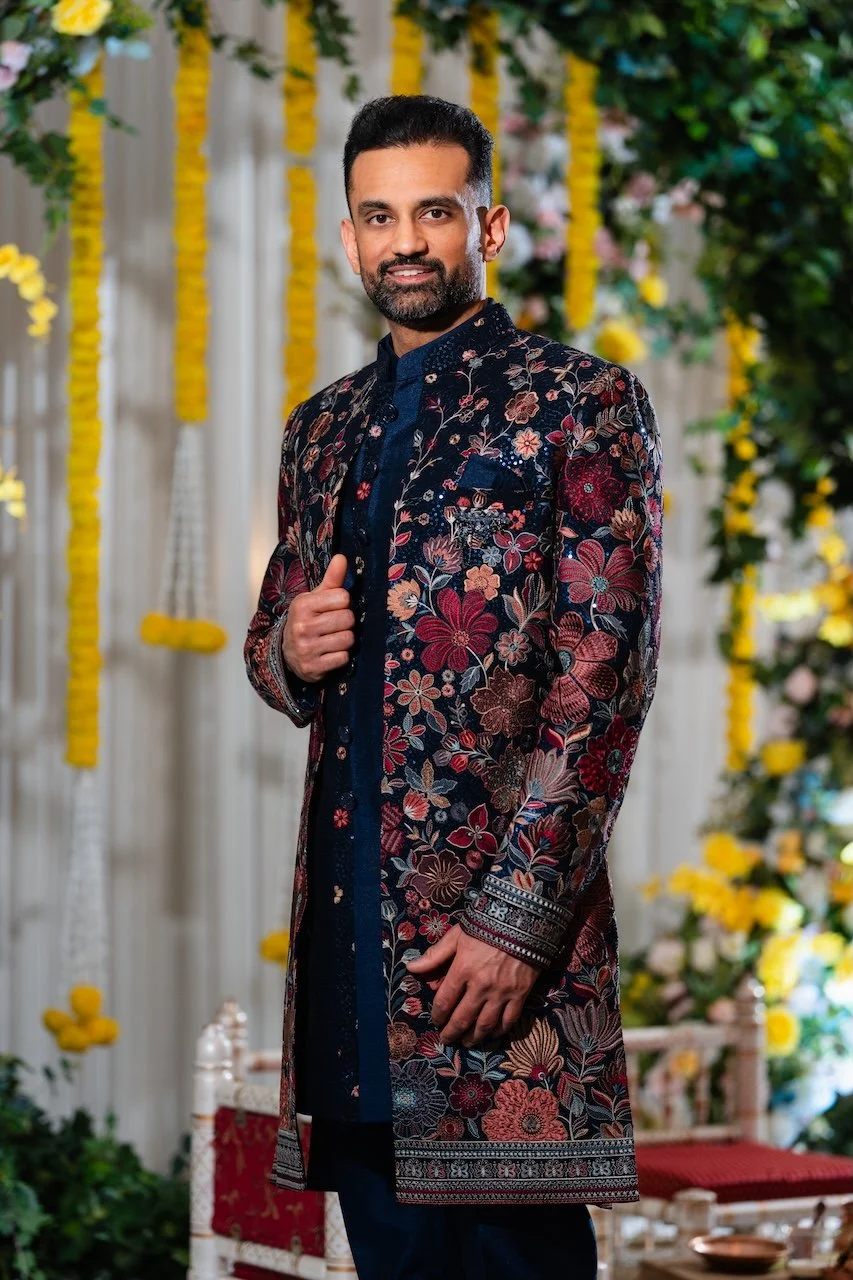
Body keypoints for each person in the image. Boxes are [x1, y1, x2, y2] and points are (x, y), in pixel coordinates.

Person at [244, 93, 663, 1280]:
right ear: (349, 238)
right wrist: (289, 647)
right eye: (378, 216)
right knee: (389, 1251)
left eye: (434, 209)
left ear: (486, 224)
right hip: (352, 938)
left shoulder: (578, 403)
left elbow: (604, 678)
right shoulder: (319, 428)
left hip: (495, 955)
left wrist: (516, 922)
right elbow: (275, 638)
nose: (406, 240)